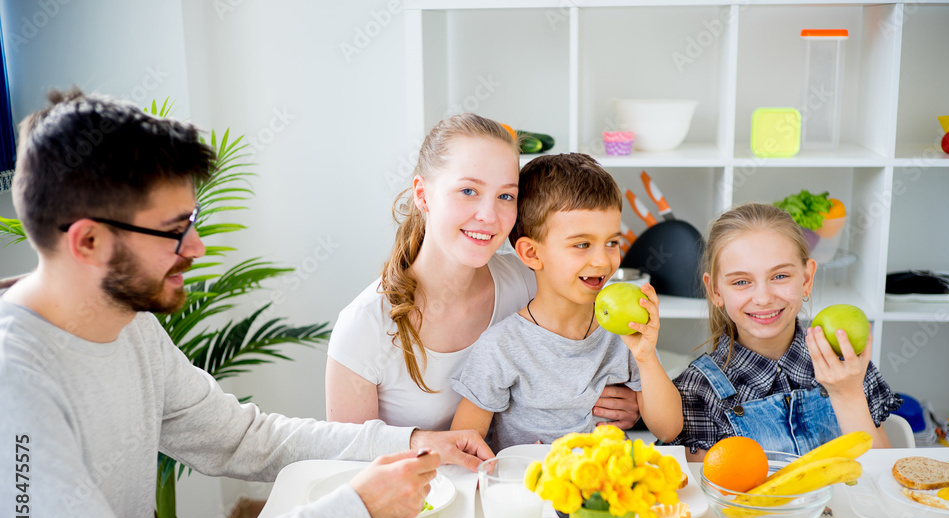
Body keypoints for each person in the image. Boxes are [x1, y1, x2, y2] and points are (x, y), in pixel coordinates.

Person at [0, 88, 490, 518]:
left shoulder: (129, 326)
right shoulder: (16, 383)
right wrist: (353, 509)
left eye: (192, 221)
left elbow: (244, 439)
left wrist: (411, 441)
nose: (196, 246)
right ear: (88, 241)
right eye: (174, 229)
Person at [325, 114, 640, 436]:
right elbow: (347, 456)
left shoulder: (530, 280)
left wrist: (630, 404)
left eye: (506, 196)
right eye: (468, 191)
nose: (489, 216)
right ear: (422, 194)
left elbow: (597, 356)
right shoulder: (364, 326)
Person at [449, 153, 683, 450]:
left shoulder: (624, 334)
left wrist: (646, 357)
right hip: (532, 479)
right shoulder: (501, 347)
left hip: (607, 476)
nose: (602, 260)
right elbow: (464, 444)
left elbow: (669, 430)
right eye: (582, 244)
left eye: (612, 242)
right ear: (532, 254)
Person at [669, 202, 900, 460]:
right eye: (741, 281)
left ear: (806, 279)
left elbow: (880, 473)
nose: (764, 298)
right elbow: (704, 483)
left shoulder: (847, 366)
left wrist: (848, 395)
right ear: (715, 291)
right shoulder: (697, 389)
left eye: (779, 276)